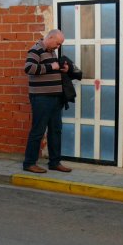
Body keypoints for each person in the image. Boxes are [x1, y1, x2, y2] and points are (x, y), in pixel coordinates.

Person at [23, 29, 72, 173]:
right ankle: (29, 163)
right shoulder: (36, 49)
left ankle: (55, 162)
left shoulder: (51, 51)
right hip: (41, 98)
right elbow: (29, 68)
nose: (58, 47)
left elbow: (50, 70)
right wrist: (52, 66)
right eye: (57, 43)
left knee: (56, 131)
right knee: (38, 131)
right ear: (50, 37)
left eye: (59, 45)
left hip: (55, 98)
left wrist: (62, 70)